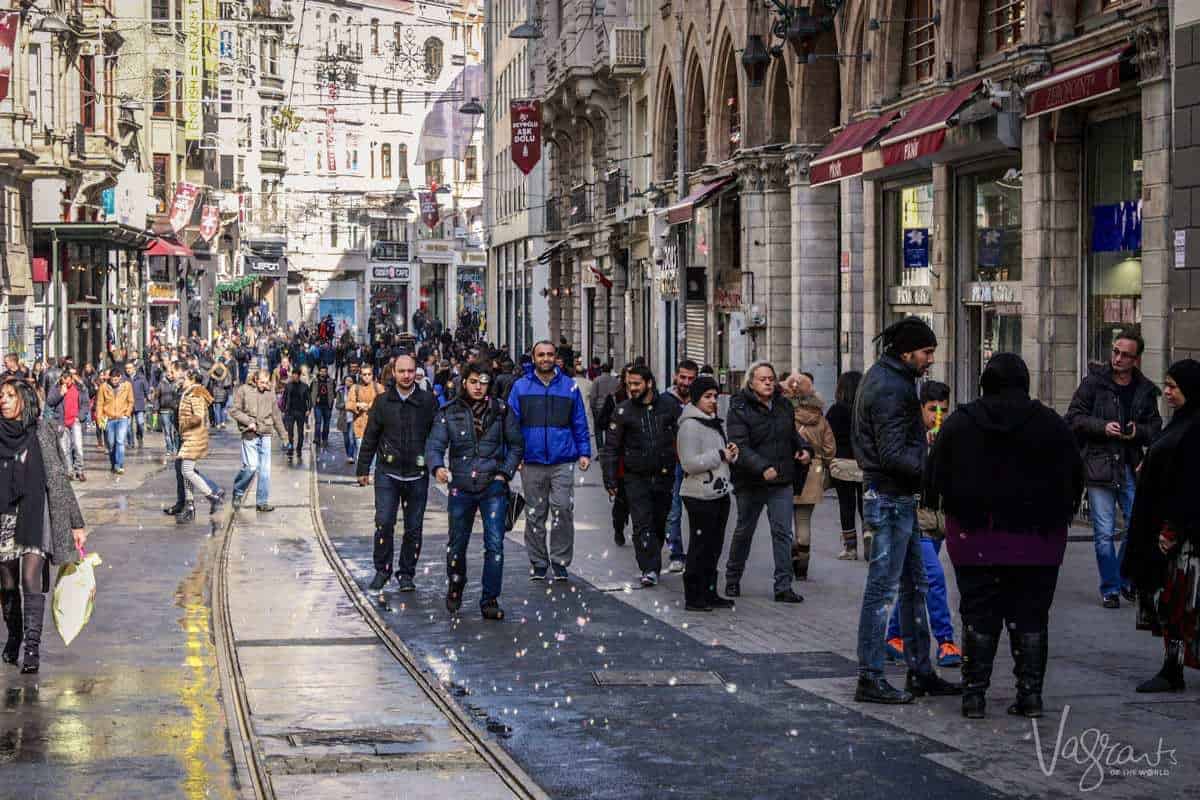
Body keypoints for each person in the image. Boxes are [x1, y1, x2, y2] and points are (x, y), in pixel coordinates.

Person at [927, 354, 1083, 718]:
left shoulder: (961, 423)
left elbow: (935, 476)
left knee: (978, 613)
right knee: (1031, 614)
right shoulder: (1049, 423)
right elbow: (1073, 475)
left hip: (976, 537)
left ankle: (974, 696)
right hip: (1037, 540)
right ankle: (1030, 696)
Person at [851, 317, 960, 705]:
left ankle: (920, 671)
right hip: (889, 498)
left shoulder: (888, 379)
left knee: (916, 585)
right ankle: (870, 675)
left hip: (896, 499)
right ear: (907, 351)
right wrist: (937, 471)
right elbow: (894, 454)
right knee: (883, 589)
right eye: (927, 352)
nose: (931, 359)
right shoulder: (892, 388)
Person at [1065, 330, 1162, 608]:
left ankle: (1122, 577)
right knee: (1104, 532)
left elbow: (1155, 428)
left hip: (1130, 463)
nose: (1118, 358)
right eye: (1115, 351)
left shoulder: (1144, 389)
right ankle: (1110, 587)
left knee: (1138, 524)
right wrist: (1102, 426)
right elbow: (1073, 417)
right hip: (1099, 464)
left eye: (1125, 354)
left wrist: (1136, 432)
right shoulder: (1094, 383)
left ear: (1136, 359)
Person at [1121, 359, 1200, 693]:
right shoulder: (1181, 422)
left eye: (1173, 387)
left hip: (1186, 537)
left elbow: (1192, 484)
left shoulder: (1196, 428)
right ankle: (1172, 667)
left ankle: (1174, 668)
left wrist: (1173, 530)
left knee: (1183, 607)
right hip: (1166, 530)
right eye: (1166, 385)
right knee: (1172, 607)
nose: (1167, 392)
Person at [0, 378, 88, 674]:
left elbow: (59, 481)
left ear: (23, 400)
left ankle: (32, 647)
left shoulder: (41, 431)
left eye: (10, 396)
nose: (4, 400)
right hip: (4, 515)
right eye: (2, 396)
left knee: (29, 578)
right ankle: (14, 635)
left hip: (35, 514)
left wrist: (76, 523)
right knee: (8, 583)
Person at [426, 362, 523, 619]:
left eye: (483, 382)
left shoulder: (502, 411)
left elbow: (516, 445)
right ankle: (456, 585)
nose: (478, 387)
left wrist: (505, 473)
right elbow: (435, 444)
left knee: (495, 545)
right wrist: (437, 467)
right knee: (457, 544)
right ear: (464, 382)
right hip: (461, 486)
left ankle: (489, 599)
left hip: (493, 486)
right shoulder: (450, 411)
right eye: (473, 382)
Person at [884, 382, 962, 669]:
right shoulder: (910, 435)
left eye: (943, 409)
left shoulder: (950, 435)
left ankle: (894, 637)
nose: (937, 416)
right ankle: (945, 641)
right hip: (914, 520)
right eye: (932, 410)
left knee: (914, 585)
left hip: (938, 520)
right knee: (933, 579)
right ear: (921, 408)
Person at [724, 361, 811, 603]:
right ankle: (732, 578)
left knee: (783, 533)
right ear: (751, 382)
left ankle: (783, 586)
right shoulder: (739, 408)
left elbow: (792, 436)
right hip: (751, 481)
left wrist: (804, 450)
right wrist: (762, 467)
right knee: (744, 531)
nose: (768, 382)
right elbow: (739, 444)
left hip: (780, 480)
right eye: (762, 379)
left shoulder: (783, 405)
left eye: (771, 378)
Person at [507, 341, 591, 582]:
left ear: (557, 358)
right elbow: (511, 425)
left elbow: (579, 422)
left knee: (563, 509)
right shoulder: (520, 388)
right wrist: (515, 456)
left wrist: (584, 451)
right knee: (535, 514)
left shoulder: (569, 387)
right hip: (531, 460)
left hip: (562, 459)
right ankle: (539, 561)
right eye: (541, 355)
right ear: (533, 358)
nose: (545, 358)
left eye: (550, 354)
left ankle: (560, 561)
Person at [357, 356, 438, 593]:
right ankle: (382, 570)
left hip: (417, 474)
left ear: (416, 373)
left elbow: (437, 436)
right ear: (393, 372)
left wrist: (438, 464)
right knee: (384, 522)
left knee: (413, 527)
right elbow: (371, 437)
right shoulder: (382, 402)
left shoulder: (427, 401)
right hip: (388, 474)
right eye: (401, 371)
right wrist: (362, 469)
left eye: (410, 371)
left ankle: (407, 573)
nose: (406, 375)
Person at [600, 365, 681, 587]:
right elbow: (612, 448)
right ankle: (649, 567)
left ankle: (652, 556)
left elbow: (682, 434)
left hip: (664, 475)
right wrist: (610, 479)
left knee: (659, 521)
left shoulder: (669, 407)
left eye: (636, 384)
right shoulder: (623, 411)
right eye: (629, 384)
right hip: (636, 477)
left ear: (649, 383)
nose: (632, 388)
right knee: (641, 522)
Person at [676, 375, 737, 612]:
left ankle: (710, 592)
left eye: (715, 396)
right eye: (707, 397)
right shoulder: (690, 425)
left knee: (714, 545)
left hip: (719, 491)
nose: (713, 401)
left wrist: (731, 453)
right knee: (700, 545)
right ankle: (694, 596)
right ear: (696, 399)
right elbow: (689, 463)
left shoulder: (712, 422)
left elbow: (720, 454)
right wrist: (720, 455)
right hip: (698, 494)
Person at [788, 373, 835, 582]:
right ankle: (802, 568)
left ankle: (791, 558)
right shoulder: (821, 419)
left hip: (789, 469)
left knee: (784, 520)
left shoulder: (786, 416)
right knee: (804, 520)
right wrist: (820, 460)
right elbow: (830, 449)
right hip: (813, 470)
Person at [229, 369, 287, 512]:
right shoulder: (244, 390)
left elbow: (276, 415)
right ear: (255, 379)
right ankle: (238, 491)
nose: (264, 385)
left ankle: (262, 501)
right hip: (250, 433)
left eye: (267, 383)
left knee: (265, 471)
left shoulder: (270, 394)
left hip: (266, 432)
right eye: (262, 382)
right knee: (251, 467)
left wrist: (284, 436)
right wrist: (248, 421)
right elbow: (234, 410)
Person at [661, 360, 698, 574]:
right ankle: (676, 553)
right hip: (672, 463)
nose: (686, 382)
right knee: (673, 512)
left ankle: (696, 554)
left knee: (697, 511)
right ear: (676, 376)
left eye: (691, 379)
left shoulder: (701, 399)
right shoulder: (665, 401)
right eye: (683, 377)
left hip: (695, 463)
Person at [175, 370, 224, 523]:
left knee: (187, 470)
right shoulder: (190, 392)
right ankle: (190, 507)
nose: (181, 380)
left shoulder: (195, 394)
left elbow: (198, 416)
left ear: (190, 379)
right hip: (190, 436)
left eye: (184, 378)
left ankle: (212, 496)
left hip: (194, 437)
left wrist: (184, 424)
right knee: (186, 471)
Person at [826, 371, 864, 560]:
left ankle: (850, 548)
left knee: (846, 505)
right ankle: (869, 537)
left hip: (842, 463)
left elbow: (828, 438)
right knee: (866, 503)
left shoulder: (835, 410)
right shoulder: (866, 409)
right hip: (864, 463)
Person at [596, 366, 631, 547]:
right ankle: (618, 527)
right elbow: (601, 422)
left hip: (643, 460)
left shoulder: (651, 401)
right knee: (622, 500)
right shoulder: (615, 399)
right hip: (622, 459)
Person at [45, 367, 88, 482]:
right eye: (63, 379)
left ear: (71, 379)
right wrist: (60, 394)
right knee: (65, 449)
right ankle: (69, 471)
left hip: (75, 421)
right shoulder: (56, 388)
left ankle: (80, 470)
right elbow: (49, 402)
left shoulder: (79, 388)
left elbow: (85, 404)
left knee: (78, 447)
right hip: (62, 422)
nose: (65, 381)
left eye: (67, 379)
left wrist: (80, 417)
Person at [96, 367, 134, 474]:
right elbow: (99, 404)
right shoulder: (103, 387)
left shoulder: (127, 386)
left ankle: (120, 465)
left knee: (120, 441)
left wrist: (127, 413)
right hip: (109, 418)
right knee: (111, 444)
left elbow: (131, 401)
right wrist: (99, 419)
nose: (114, 382)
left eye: (116, 380)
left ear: (120, 377)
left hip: (122, 417)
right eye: (112, 379)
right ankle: (113, 464)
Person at [348, 363, 385, 461]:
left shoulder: (379, 388)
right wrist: (358, 405)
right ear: (360, 375)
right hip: (360, 427)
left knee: (375, 459)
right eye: (364, 374)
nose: (367, 376)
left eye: (369, 374)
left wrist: (372, 406)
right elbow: (348, 404)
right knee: (362, 457)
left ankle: (372, 476)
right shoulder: (355, 388)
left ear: (373, 375)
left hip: (377, 428)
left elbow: (386, 405)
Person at [282, 370, 312, 462]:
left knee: (300, 433)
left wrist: (309, 409)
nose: (294, 377)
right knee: (290, 433)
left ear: (299, 376)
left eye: (296, 375)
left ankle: (299, 449)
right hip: (290, 412)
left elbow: (309, 399)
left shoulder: (305, 386)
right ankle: (290, 450)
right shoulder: (288, 386)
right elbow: (284, 398)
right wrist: (283, 410)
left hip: (301, 412)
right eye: (293, 375)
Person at [155, 361, 182, 460]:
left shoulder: (177, 383)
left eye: (171, 373)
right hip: (164, 410)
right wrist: (156, 408)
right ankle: (169, 449)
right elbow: (157, 396)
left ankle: (176, 448)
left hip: (174, 409)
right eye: (168, 374)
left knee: (175, 431)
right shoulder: (161, 383)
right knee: (167, 431)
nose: (170, 375)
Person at [589, 362, 619, 450]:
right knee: (609, 429)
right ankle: (608, 448)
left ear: (601, 370)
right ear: (610, 370)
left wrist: (592, 407)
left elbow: (593, 396)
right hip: (611, 407)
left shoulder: (597, 380)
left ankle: (600, 450)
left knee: (598, 430)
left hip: (599, 407)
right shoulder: (615, 380)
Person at [310, 365, 336, 448]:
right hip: (318, 405)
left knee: (326, 423)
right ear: (319, 372)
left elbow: (334, 393)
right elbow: (311, 391)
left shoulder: (331, 381)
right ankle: (317, 438)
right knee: (318, 422)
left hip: (327, 405)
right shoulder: (315, 381)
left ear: (327, 372)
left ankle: (325, 438)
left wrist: (331, 401)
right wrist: (313, 400)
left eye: (325, 371)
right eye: (321, 371)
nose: (323, 373)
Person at [205, 358, 234, 430]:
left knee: (217, 409)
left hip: (215, 392)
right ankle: (223, 422)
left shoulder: (213, 373)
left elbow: (208, 375)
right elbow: (230, 381)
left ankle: (218, 424)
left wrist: (213, 368)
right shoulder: (226, 372)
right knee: (223, 408)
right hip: (224, 391)